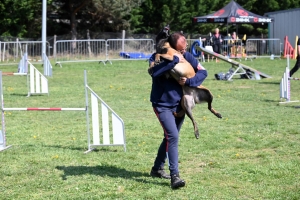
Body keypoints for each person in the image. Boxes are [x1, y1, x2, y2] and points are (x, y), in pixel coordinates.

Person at [148, 32, 207, 189]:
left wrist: (189, 81)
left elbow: (203, 72)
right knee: (172, 136)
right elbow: (154, 73)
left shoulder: (187, 55)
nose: (183, 52)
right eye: (180, 50)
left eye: (184, 50)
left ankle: (156, 169)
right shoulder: (158, 56)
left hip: (179, 105)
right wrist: (172, 62)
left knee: (169, 137)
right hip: (161, 104)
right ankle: (175, 176)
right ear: (172, 47)